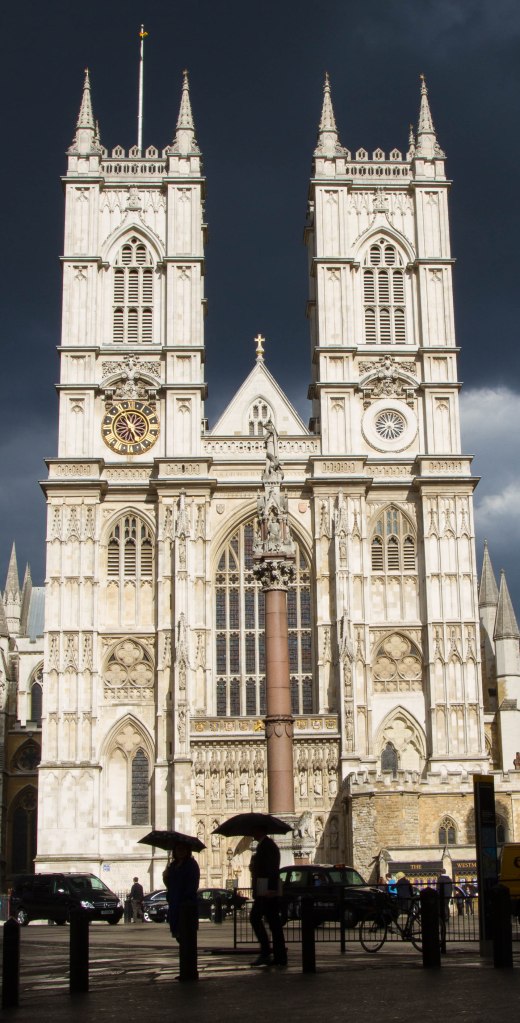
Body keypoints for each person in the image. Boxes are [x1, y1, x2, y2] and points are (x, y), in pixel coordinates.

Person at [249, 827, 287, 967]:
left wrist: (269, 890)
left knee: (256, 918)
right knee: (274, 924)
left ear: (260, 830)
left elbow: (270, 869)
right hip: (266, 890)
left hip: (266, 892)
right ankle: (278, 955)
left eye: (253, 830)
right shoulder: (266, 846)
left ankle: (267, 952)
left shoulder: (267, 846)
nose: (251, 833)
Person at [163, 841, 200, 941]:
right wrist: (165, 877)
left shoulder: (191, 864)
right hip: (175, 904)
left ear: (187, 850)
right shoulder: (173, 865)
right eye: (178, 849)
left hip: (186, 905)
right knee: (178, 935)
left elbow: (193, 884)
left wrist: (184, 897)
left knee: (187, 935)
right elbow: (169, 885)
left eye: (183, 849)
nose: (180, 852)